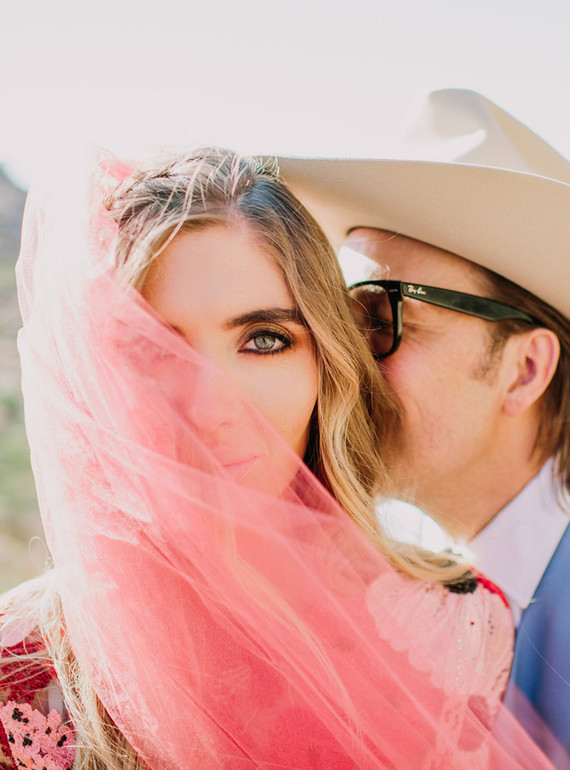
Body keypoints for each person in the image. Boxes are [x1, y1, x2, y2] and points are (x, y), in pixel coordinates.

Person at [0, 147, 551, 768]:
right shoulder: (19, 666)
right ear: (91, 378)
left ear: (325, 367)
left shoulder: (457, 630)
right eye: (153, 347)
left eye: (263, 340)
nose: (209, 408)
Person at [275, 87, 570, 767]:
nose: (339, 360)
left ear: (524, 370)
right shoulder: (395, 603)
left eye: (381, 318)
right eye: (336, 319)